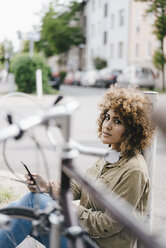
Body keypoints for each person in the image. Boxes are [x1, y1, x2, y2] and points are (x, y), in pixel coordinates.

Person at [0, 86, 154, 248]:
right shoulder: (110, 155)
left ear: (132, 130)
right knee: (17, 208)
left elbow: (108, 224)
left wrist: (67, 209)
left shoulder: (134, 170)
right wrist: (48, 187)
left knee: (32, 203)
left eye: (117, 121)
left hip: (95, 244)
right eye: (107, 117)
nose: (107, 125)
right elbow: (79, 187)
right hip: (83, 236)